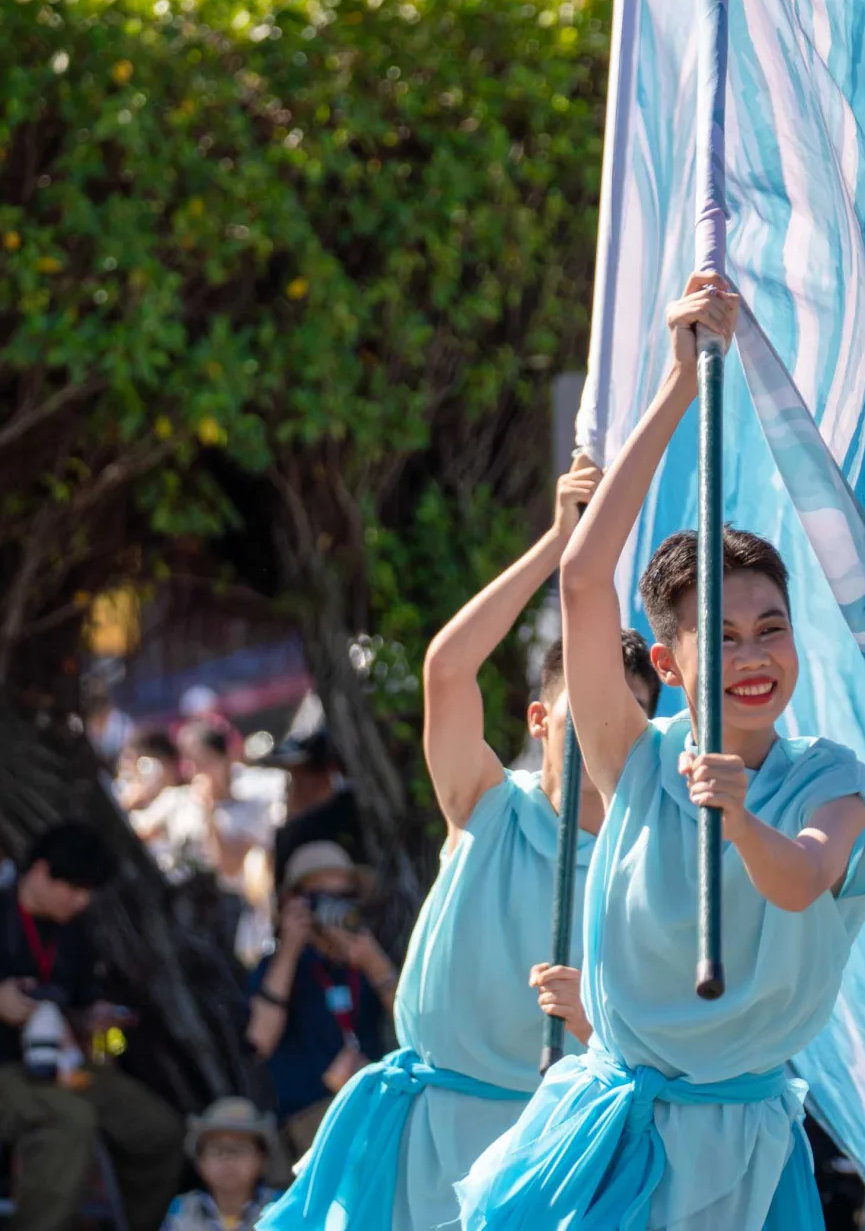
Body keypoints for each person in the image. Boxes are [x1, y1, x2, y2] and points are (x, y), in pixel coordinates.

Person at [458, 274, 865, 1231]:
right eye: (723, 637)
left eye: (771, 628)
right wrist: (681, 385)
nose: (754, 656)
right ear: (669, 662)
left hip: (740, 1155)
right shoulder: (638, 759)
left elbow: (803, 879)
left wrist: (737, 817)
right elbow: (582, 583)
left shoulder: (832, 780)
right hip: (613, 1141)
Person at [263, 468, 662, 1229]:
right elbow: (448, 669)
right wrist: (554, 546)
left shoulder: (648, 854)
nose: (608, 724)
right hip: (434, 1139)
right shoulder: (487, 804)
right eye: (590, 704)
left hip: (557, 1151)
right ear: (541, 719)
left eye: (628, 712)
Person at [0, 822, 184, 1231]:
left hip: (68, 1069)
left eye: (88, 891)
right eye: (74, 888)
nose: (82, 901)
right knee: (69, 1122)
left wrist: (99, 1023)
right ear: (39, 872)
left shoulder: (75, 931)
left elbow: (85, 1020)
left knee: (159, 1130)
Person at [244, 843, 394, 1161]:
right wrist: (290, 947)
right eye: (321, 899)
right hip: (312, 1115)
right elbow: (260, 1040)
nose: (333, 909)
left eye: (343, 897)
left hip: (376, 1098)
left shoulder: (367, 955)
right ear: (294, 902)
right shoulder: (277, 967)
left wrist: (372, 960)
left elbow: (414, 1016)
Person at [257, 709, 363, 893]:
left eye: (303, 774)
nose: (291, 787)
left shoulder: (357, 815)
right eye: (291, 776)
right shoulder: (288, 833)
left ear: (329, 772)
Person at [163, 1098, 282, 1231]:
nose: (228, 1160)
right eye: (216, 1150)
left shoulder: (282, 1208)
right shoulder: (181, 1211)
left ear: (261, 1159)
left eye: (240, 1149)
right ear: (199, 1162)